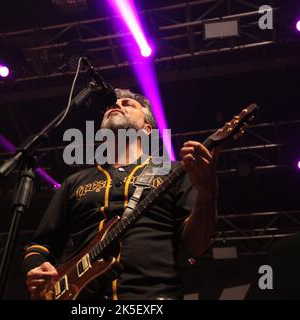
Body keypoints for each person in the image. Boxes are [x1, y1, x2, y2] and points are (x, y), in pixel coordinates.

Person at [22, 88, 220, 300]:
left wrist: (207, 192)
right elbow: (40, 245)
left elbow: (196, 246)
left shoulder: (176, 172)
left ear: (147, 129)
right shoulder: (74, 182)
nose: (116, 105)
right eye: (111, 105)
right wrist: (37, 270)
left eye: (128, 104)